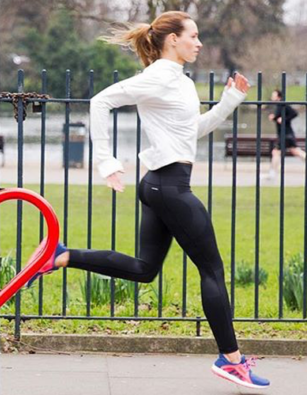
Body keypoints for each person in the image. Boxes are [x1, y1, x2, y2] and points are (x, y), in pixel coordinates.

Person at [26, 11, 269, 390]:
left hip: (159, 183)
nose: (199, 42)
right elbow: (100, 101)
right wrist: (107, 161)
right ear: (173, 39)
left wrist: (229, 101)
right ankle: (232, 360)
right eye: (194, 35)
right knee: (213, 271)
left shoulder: (178, 81)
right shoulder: (157, 77)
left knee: (144, 270)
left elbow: (192, 132)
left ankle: (61, 255)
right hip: (169, 187)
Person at [267, 89, 306, 180]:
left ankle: (272, 173)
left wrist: (284, 119)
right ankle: (272, 173)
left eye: (274, 95)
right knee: (296, 151)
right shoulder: (278, 106)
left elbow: (294, 113)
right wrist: (274, 118)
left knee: (275, 152)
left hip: (286, 134)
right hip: (285, 134)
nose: (272, 96)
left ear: (278, 96)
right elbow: (278, 118)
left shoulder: (283, 105)